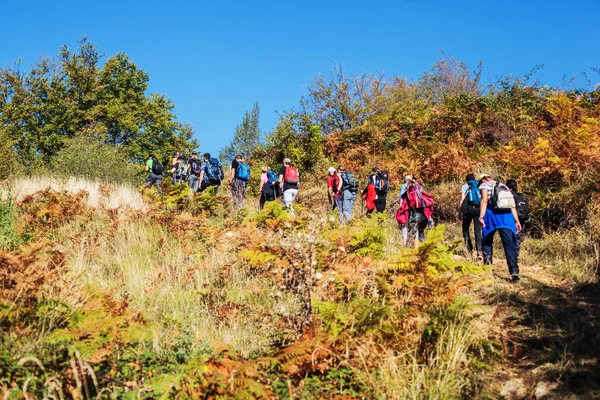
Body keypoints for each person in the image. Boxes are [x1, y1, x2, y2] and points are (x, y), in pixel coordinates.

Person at [478, 174, 522, 281]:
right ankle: (514, 271)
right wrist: (516, 220)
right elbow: (512, 205)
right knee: (509, 244)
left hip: (491, 216)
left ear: (483, 180)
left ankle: (488, 268)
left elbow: (484, 200)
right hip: (506, 217)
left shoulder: (484, 186)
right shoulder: (503, 186)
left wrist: (481, 217)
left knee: (487, 241)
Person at [397, 177, 434, 245]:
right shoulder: (421, 192)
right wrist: (429, 218)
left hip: (413, 215)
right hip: (423, 216)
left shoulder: (407, 194)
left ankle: (414, 250)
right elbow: (428, 203)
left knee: (414, 235)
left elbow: (403, 207)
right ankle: (422, 249)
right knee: (421, 232)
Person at [460, 173, 483, 259]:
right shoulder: (480, 186)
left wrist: (460, 213)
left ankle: (469, 250)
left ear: (466, 180)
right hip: (478, 209)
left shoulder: (465, 187)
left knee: (465, 229)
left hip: (469, 209)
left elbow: (462, 199)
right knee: (477, 230)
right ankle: (480, 251)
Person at [506, 179, 529, 258]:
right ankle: (517, 251)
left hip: (513, 216)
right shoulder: (521, 195)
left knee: (511, 234)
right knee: (519, 233)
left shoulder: (508, 194)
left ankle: (513, 252)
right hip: (522, 217)